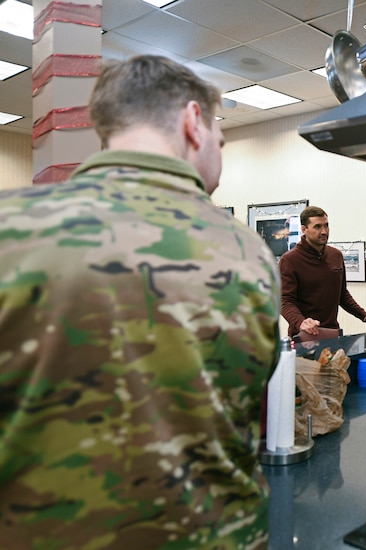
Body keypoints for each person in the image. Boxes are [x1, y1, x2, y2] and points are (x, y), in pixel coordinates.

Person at [0, 56, 280, 547]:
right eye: (221, 140)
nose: (220, 153)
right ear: (194, 123)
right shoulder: (247, 252)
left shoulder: (10, 228)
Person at [280, 205, 366, 337]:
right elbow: (285, 301)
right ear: (304, 229)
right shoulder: (290, 260)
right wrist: (301, 322)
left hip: (333, 334)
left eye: (326, 225)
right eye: (317, 227)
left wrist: (364, 315)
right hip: (303, 336)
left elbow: (342, 294)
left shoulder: (336, 255)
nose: (324, 231)